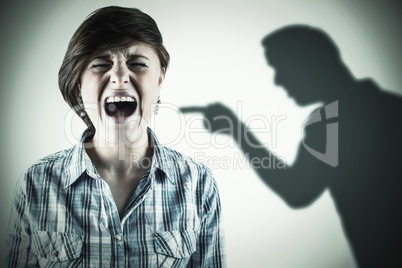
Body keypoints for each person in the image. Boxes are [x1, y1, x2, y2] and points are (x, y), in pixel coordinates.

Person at [6, 6, 226, 267]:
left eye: (137, 64)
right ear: (79, 84)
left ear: (159, 80)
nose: (120, 77)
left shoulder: (199, 185)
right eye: (100, 64)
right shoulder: (36, 185)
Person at [183, 25, 402, 267]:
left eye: (281, 69)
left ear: (310, 65)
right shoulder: (389, 108)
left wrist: (238, 131)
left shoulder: (330, 123)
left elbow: (297, 190)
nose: (278, 81)